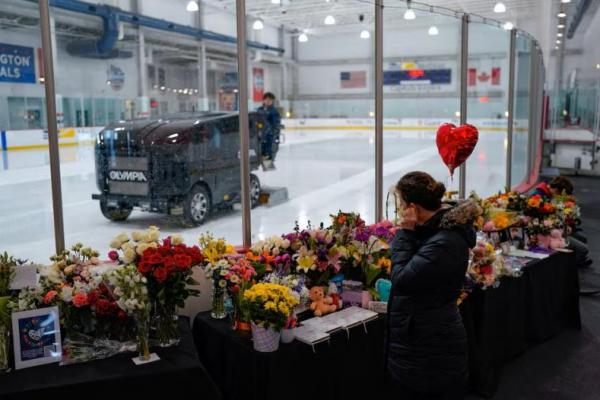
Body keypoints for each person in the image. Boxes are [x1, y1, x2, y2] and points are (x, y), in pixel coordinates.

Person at [387, 171, 481, 400]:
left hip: (430, 350)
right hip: (424, 341)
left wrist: (405, 234)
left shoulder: (444, 243)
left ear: (413, 207)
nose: (399, 211)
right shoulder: (437, 231)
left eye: (400, 204)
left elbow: (401, 280)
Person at [532, 176, 592, 268]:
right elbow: (542, 219)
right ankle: (567, 267)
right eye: (561, 194)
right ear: (556, 189)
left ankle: (576, 260)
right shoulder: (539, 197)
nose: (561, 197)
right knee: (583, 249)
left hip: (554, 228)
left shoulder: (547, 194)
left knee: (582, 239)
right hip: (548, 233)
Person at [257, 92, 281, 161]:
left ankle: (267, 156)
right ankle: (261, 155)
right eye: (266, 100)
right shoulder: (259, 109)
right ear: (263, 100)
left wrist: (275, 133)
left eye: (270, 100)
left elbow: (276, 123)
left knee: (268, 141)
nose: (268, 101)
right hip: (259, 131)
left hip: (269, 132)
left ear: (272, 101)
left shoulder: (274, 111)